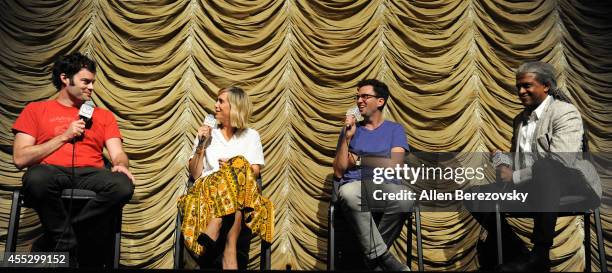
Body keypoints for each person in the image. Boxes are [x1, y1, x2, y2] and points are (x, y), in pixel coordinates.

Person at [469, 61, 601, 272]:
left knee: (546, 168)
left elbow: (560, 161)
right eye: (518, 86)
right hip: (534, 184)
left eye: (527, 86)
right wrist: (502, 160)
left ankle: (541, 253)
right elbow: (520, 163)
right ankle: (522, 256)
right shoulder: (519, 120)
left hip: (571, 183)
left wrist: (515, 177)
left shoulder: (565, 112)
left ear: (546, 86)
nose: (521, 91)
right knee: (474, 196)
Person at [11, 52, 135, 267]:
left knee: (122, 186)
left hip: (91, 173)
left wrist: (121, 165)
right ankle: (68, 241)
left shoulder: (103, 115)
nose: (92, 87)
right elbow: (20, 158)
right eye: (85, 81)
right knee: (35, 178)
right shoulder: (36, 109)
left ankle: (59, 239)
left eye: (93, 82)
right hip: (51, 170)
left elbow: (117, 153)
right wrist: (65, 136)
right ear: (65, 79)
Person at [178, 86, 273, 270]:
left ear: (235, 107)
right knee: (229, 180)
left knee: (238, 168)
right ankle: (230, 254)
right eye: (217, 101)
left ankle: (218, 221)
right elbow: (195, 174)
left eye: (221, 101)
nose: (216, 105)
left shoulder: (251, 136)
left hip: (239, 192)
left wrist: (232, 167)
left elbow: (254, 172)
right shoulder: (208, 134)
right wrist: (201, 145)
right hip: (207, 191)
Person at [332, 79, 412, 271]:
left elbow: (395, 165)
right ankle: (383, 259)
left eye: (365, 96)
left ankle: (370, 261)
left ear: (380, 101)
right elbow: (339, 170)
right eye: (357, 96)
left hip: (384, 187)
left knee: (405, 199)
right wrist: (347, 138)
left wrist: (360, 160)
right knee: (350, 193)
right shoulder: (350, 131)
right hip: (356, 187)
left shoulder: (395, 130)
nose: (359, 100)